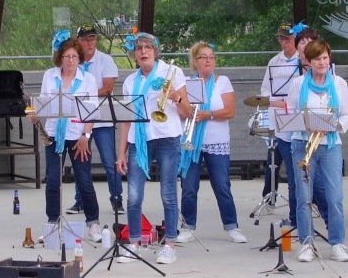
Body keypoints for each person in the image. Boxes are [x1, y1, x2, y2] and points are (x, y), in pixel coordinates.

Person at [114, 32, 192, 265]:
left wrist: (176, 97)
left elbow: (187, 112)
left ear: (155, 51)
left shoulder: (172, 71)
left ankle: (169, 245)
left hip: (167, 137)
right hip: (139, 139)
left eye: (148, 47)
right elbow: (126, 120)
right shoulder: (130, 81)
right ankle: (134, 242)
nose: (143, 51)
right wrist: (121, 153)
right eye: (139, 48)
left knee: (168, 192)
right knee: (134, 195)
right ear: (134, 54)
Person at [280, 38, 348, 262]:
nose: (322, 62)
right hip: (302, 144)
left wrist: (334, 126)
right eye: (317, 59)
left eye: (325, 58)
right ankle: (306, 243)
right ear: (309, 62)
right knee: (304, 197)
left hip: (330, 145)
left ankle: (337, 243)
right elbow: (291, 115)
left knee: (334, 196)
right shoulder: (297, 84)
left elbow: (347, 116)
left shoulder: (339, 83)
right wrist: (308, 124)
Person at [33, 31, 100, 247]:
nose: (70, 60)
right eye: (66, 56)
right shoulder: (49, 76)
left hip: (78, 134)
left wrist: (85, 136)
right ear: (60, 58)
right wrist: (35, 113)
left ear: (79, 58)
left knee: (84, 180)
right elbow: (44, 102)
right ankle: (52, 223)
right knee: (53, 180)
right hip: (54, 133)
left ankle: (93, 222)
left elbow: (92, 111)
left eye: (74, 57)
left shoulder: (88, 79)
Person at [176, 42, 246, 245]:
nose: (208, 60)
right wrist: (180, 101)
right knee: (189, 187)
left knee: (222, 185)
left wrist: (208, 114)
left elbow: (230, 111)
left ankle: (232, 227)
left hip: (217, 141)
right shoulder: (187, 83)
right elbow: (183, 113)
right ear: (195, 61)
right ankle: (188, 227)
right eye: (203, 57)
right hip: (191, 142)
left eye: (211, 57)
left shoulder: (222, 81)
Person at [74, 25, 122, 229]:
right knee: (80, 159)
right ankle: (80, 200)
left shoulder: (105, 60)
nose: (90, 43)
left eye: (92, 39)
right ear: (79, 42)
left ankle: (116, 197)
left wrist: (85, 93)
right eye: (86, 39)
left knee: (109, 161)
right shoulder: (74, 60)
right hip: (81, 118)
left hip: (102, 118)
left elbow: (108, 88)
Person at [260, 23, 306, 220]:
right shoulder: (274, 61)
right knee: (273, 162)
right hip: (278, 117)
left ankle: (299, 208)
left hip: (296, 118)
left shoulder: (303, 60)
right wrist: (274, 102)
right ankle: (269, 199)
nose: (284, 42)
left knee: (295, 167)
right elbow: (265, 90)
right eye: (281, 38)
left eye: (287, 38)